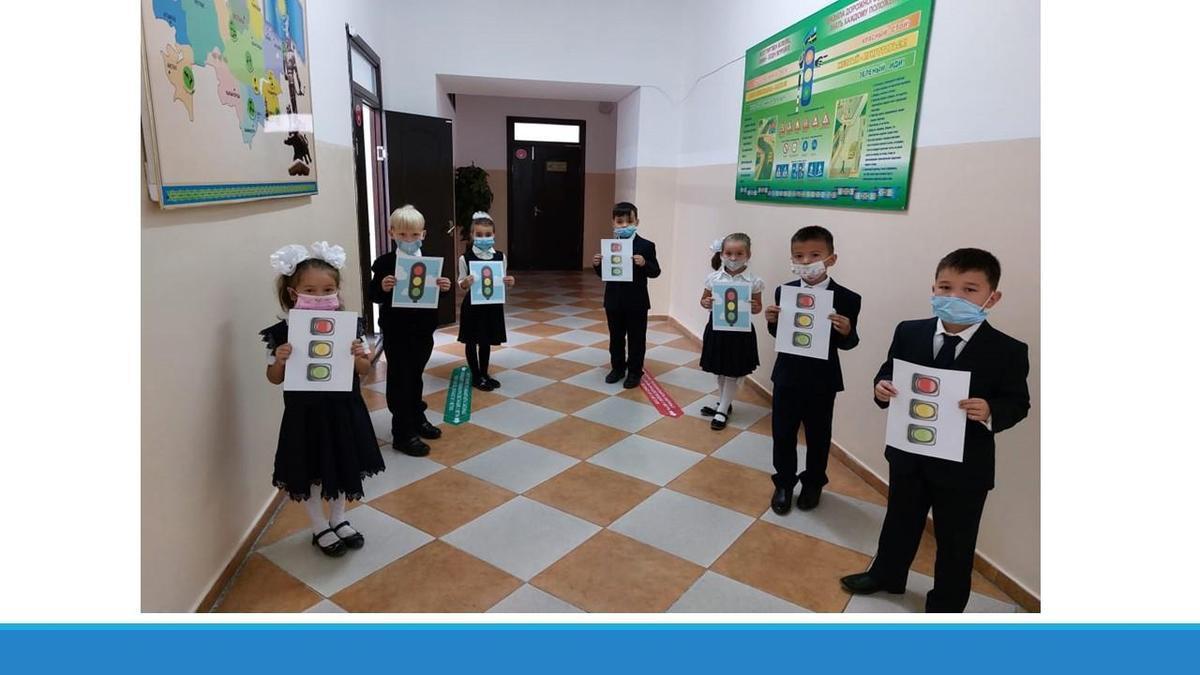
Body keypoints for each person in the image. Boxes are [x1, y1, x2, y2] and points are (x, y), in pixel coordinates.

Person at [841, 248, 1030, 612]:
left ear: (992, 298)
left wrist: (991, 410)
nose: (954, 297)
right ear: (933, 289)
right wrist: (882, 387)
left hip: (965, 467)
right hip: (909, 453)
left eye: (969, 290)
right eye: (945, 287)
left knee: (957, 540)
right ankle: (887, 574)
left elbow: (1018, 403)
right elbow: (889, 371)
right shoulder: (910, 331)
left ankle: (946, 604)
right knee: (899, 521)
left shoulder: (1008, 350)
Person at [261, 241, 384, 557]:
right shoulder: (283, 332)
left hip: (343, 410)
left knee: (342, 464)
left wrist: (359, 354)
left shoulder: (349, 327)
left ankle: (339, 518)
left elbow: (364, 370)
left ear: (338, 292)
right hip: (305, 414)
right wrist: (280, 360)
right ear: (293, 293)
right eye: (310, 290)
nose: (320, 296)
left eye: (328, 290)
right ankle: (319, 526)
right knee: (311, 470)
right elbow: (274, 378)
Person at [764, 226, 861, 512]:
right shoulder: (785, 291)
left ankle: (813, 483)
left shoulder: (847, 298)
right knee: (783, 433)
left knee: (819, 436)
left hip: (822, 380)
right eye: (799, 256)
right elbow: (780, 335)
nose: (806, 262)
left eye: (815, 255)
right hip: (787, 376)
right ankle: (784, 483)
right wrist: (772, 321)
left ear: (831, 258)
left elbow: (849, 343)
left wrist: (847, 331)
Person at [369, 205, 452, 457]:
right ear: (391, 233)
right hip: (396, 331)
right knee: (399, 379)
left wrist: (444, 287)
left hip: (423, 330)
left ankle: (417, 416)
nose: (408, 239)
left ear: (423, 234)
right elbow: (374, 295)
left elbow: (434, 296)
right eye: (402, 234)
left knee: (415, 375)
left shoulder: (431, 262)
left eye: (414, 235)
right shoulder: (384, 263)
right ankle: (402, 432)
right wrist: (382, 287)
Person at [698, 233, 764, 431]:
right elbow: (703, 300)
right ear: (722, 254)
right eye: (728, 253)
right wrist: (706, 302)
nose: (733, 258)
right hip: (717, 329)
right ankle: (724, 403)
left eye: (739, 253)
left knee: (732, 371)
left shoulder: (754, 280)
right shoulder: (714, 278)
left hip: (740, 332)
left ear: (748, 254)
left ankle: (723, 409)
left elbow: (758, 307)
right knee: (720, 368)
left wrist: (755, 307)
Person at [591, 201, 661, 389]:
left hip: (637, 301)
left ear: (637, 222)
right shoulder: (610, 246)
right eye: (620, 222)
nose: (624, 225)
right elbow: (605, 274)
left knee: (637, 338)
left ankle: (635, 372)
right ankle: (617, 368)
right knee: (616, 337)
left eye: (629, 222)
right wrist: (597, 264)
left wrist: (644, 263)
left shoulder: (646, 246)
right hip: (614, 300)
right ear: (613, 223)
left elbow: (655, 271)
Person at [456, 211, 515, 390]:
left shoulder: (500, 257)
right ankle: (476, 376)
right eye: (479, 234)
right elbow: (461, 283)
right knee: (471, 340)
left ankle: (484, 373)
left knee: (486, 339)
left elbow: (501, 281)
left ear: (494, 234)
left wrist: (509, 282)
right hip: (473, 306)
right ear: (472, 235)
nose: (484, 238)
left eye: (488, 234)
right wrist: (465, 282)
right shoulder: (465, 258)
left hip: (491, 305)